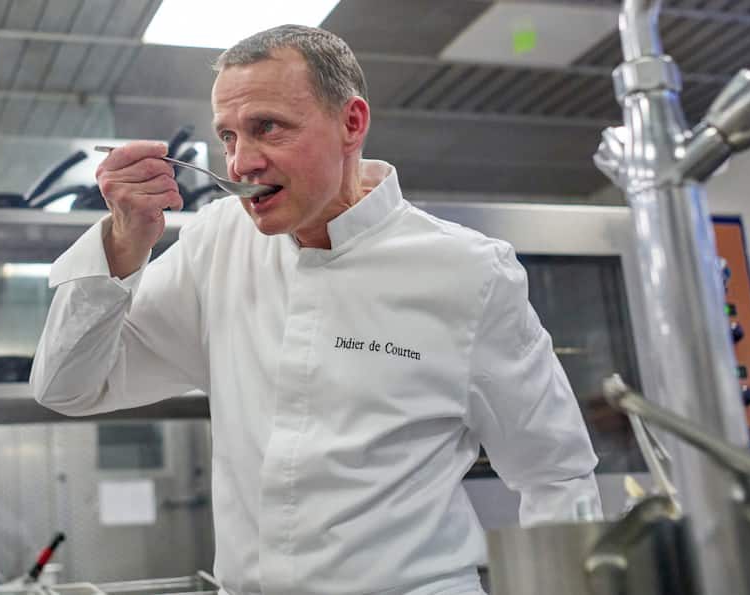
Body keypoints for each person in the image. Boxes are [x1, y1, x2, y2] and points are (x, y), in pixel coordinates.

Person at [31, 24, 600, 595]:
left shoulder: (470, 271)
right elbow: (69, 387)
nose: (240, 164)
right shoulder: (215, 245)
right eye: (228, 137)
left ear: (351, 123)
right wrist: (123, 243)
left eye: (267, 128)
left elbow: (554, 471)